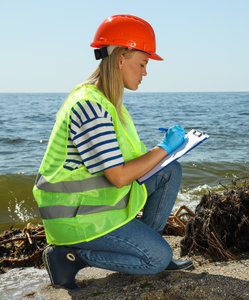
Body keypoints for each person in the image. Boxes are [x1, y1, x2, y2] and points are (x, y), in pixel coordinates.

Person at [33, 14, 193, 290]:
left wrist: (167, 155)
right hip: (78, 221)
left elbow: (132, 165)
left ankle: (140, 246)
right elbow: (119, 177)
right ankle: (69, 257)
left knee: (169, 170)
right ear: (121, 59)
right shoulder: (90, 106)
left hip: (97, 209)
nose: (145, 72)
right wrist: (164, 147)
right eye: (142, 63)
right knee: (156, 259)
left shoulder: (109, 102)